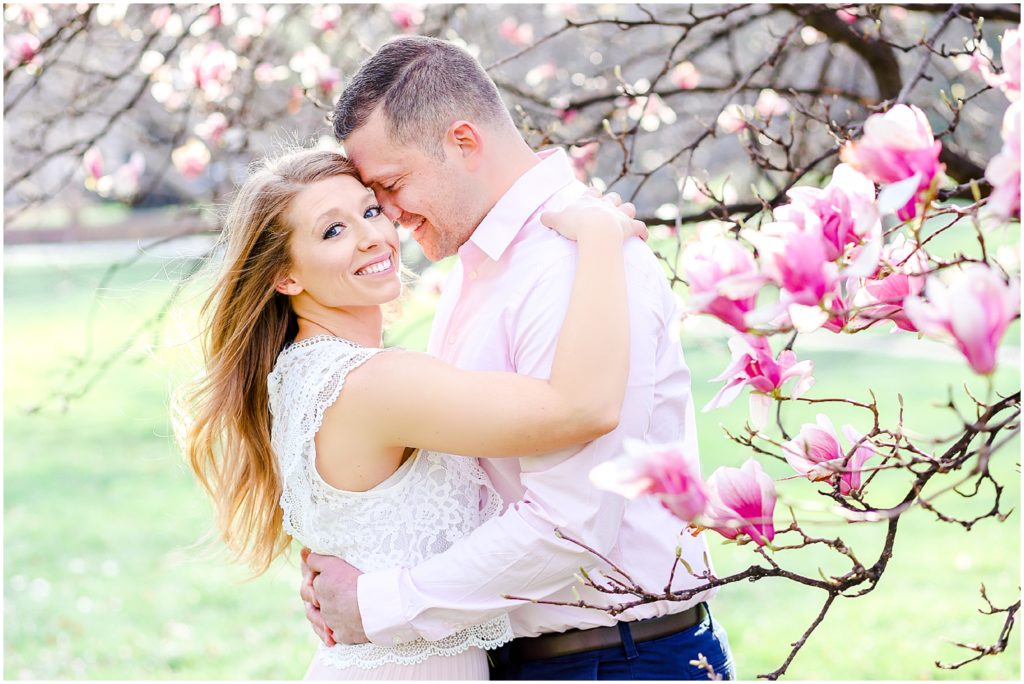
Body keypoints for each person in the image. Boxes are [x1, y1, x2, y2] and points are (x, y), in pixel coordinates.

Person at [300, 35, 735, 680]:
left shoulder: (569, 264)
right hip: (535, 655)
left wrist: (382, 603)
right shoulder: (484, 266)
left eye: (391, 185)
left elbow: (574, 522)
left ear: (463, 142)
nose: (387, 218)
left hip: (616, 659)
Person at [182, 147, 647, 679]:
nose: (371, 237)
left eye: (370, 211)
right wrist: (602, 238)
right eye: (332, 232)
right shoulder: (373, 383)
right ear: (286, 277)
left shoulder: (298, 373)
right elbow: (581, 407)